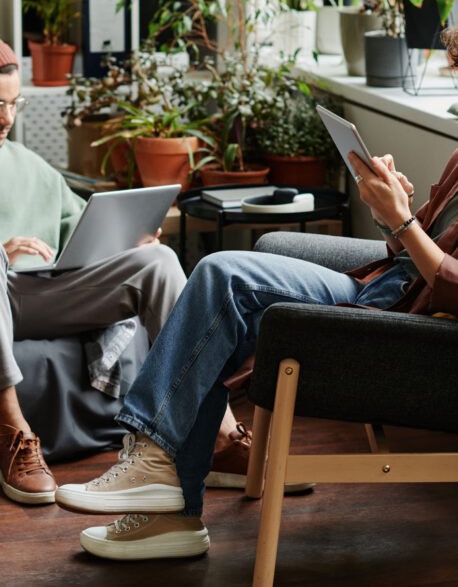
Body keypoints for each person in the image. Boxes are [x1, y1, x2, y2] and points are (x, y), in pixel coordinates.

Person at [55, 28, 458, 560]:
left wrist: (402, 220)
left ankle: (157, 469)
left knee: (227, 276)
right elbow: (415, 248)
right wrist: (394, 215)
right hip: (384, 288)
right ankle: (172, 512)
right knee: (223, 305)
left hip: (411, 332)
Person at [0, 40, 258, 507]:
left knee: (157, 262)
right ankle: (12, 431)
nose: (7, 119)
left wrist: (127, 238)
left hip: (42, 295)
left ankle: (218, 437)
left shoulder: (28, 165)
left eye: (14, 104)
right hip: (4, 293)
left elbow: (81, 226)